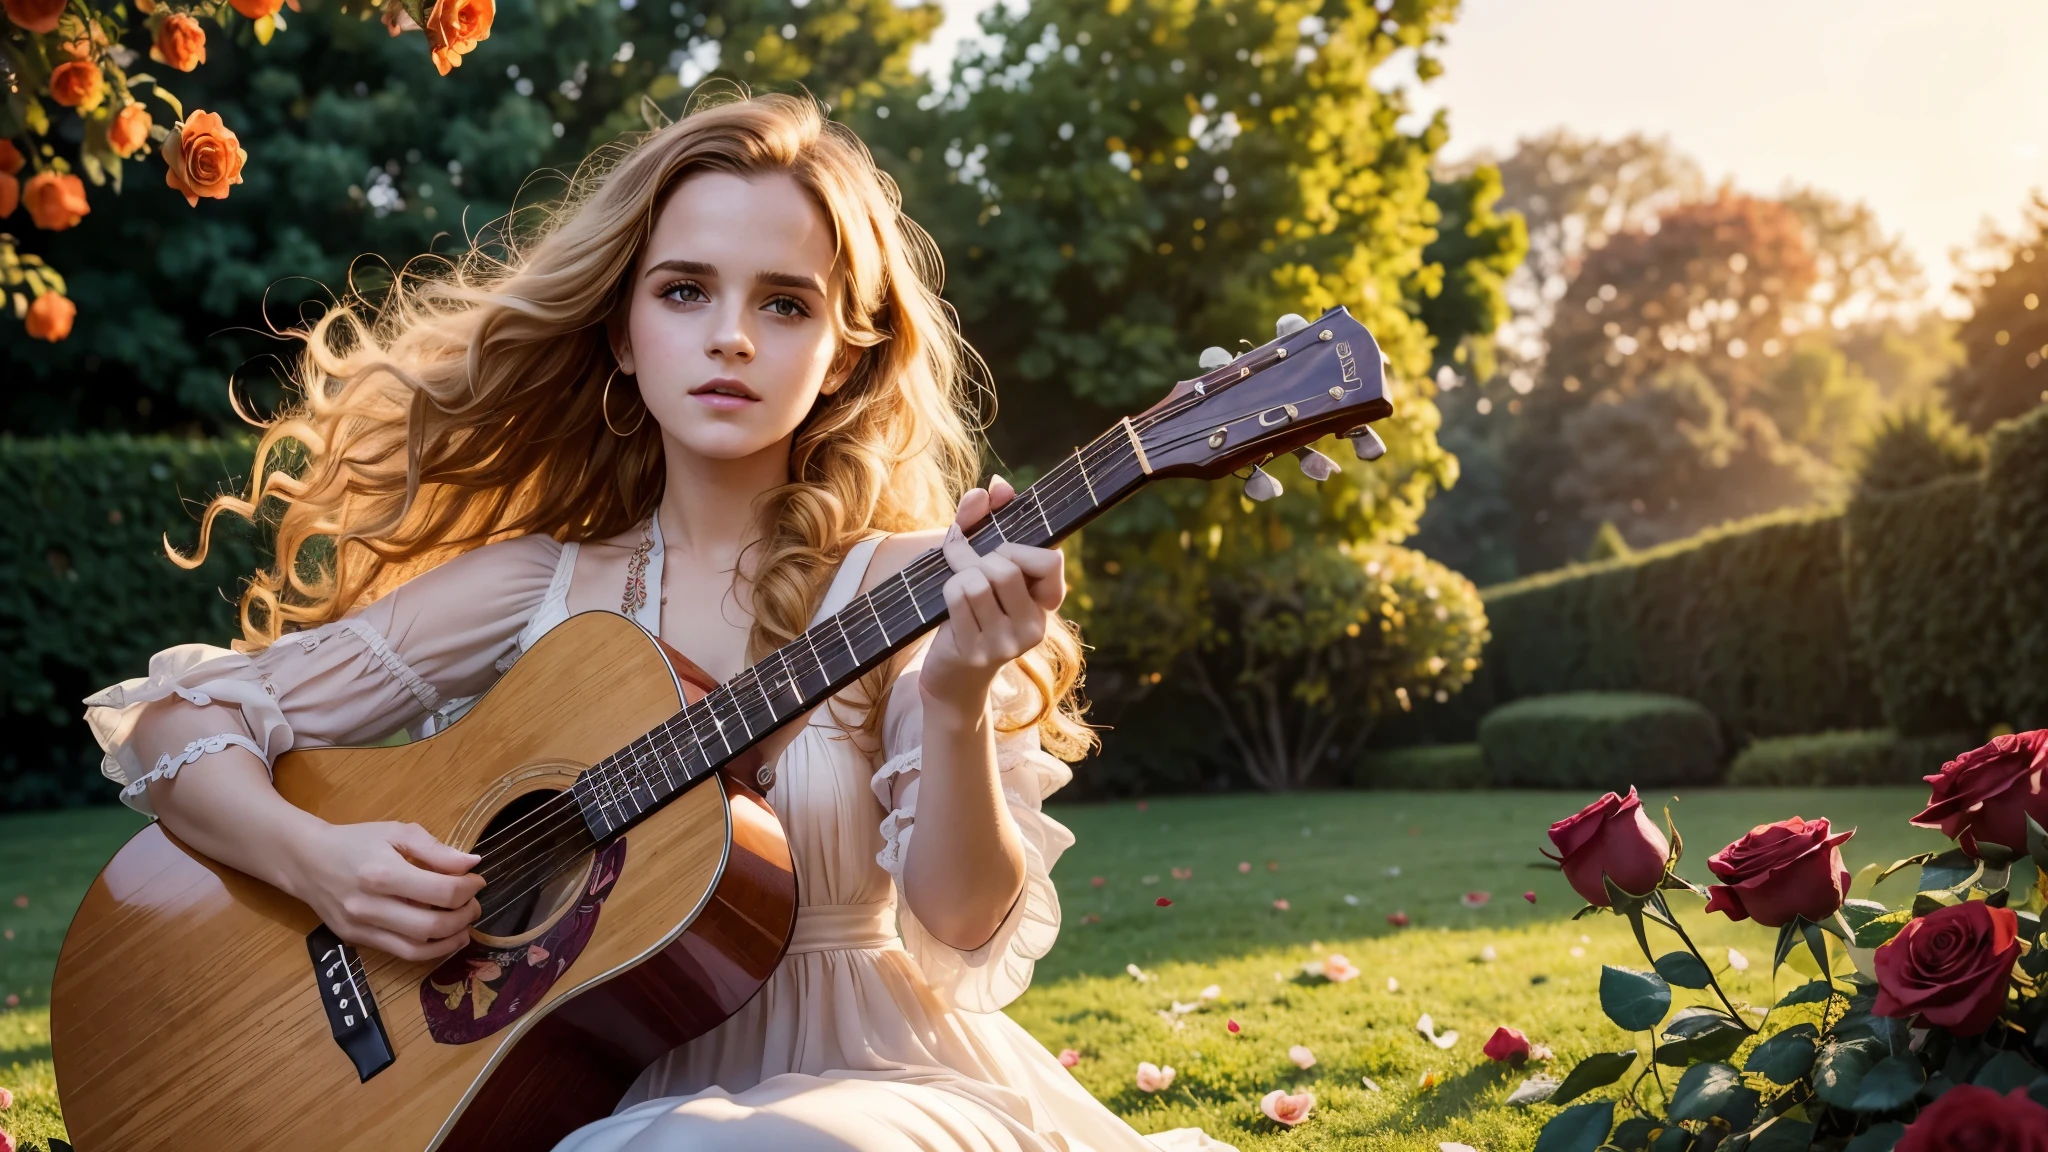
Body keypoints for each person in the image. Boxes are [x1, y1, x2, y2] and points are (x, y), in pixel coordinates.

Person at [82, 93, 1235, 1152]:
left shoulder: (909, 583)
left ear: (841, 359)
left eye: (784, 305)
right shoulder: (535, 589)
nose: (731, 336)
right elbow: (174, 722)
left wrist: (955, 695)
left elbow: (964, 929)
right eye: (685, 291)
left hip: (878, 1096)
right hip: (590, 1097)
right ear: (624, 337)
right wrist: (324, 863)